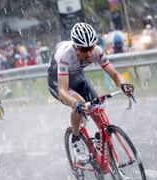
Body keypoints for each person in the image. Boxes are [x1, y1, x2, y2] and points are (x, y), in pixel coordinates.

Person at [47, 22, 134, 169]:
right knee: (80, 103)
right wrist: (76, 105)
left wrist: (123, 85)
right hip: (57, 81)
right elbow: (62, 90)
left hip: (77, 77)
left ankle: (101, 142)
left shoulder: (97, 51)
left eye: (91, 48)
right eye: (84, 49)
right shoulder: (65, 56)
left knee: (97, 107)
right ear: (75, 47)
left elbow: (115, 75)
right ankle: (76, 138)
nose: (89, 53)